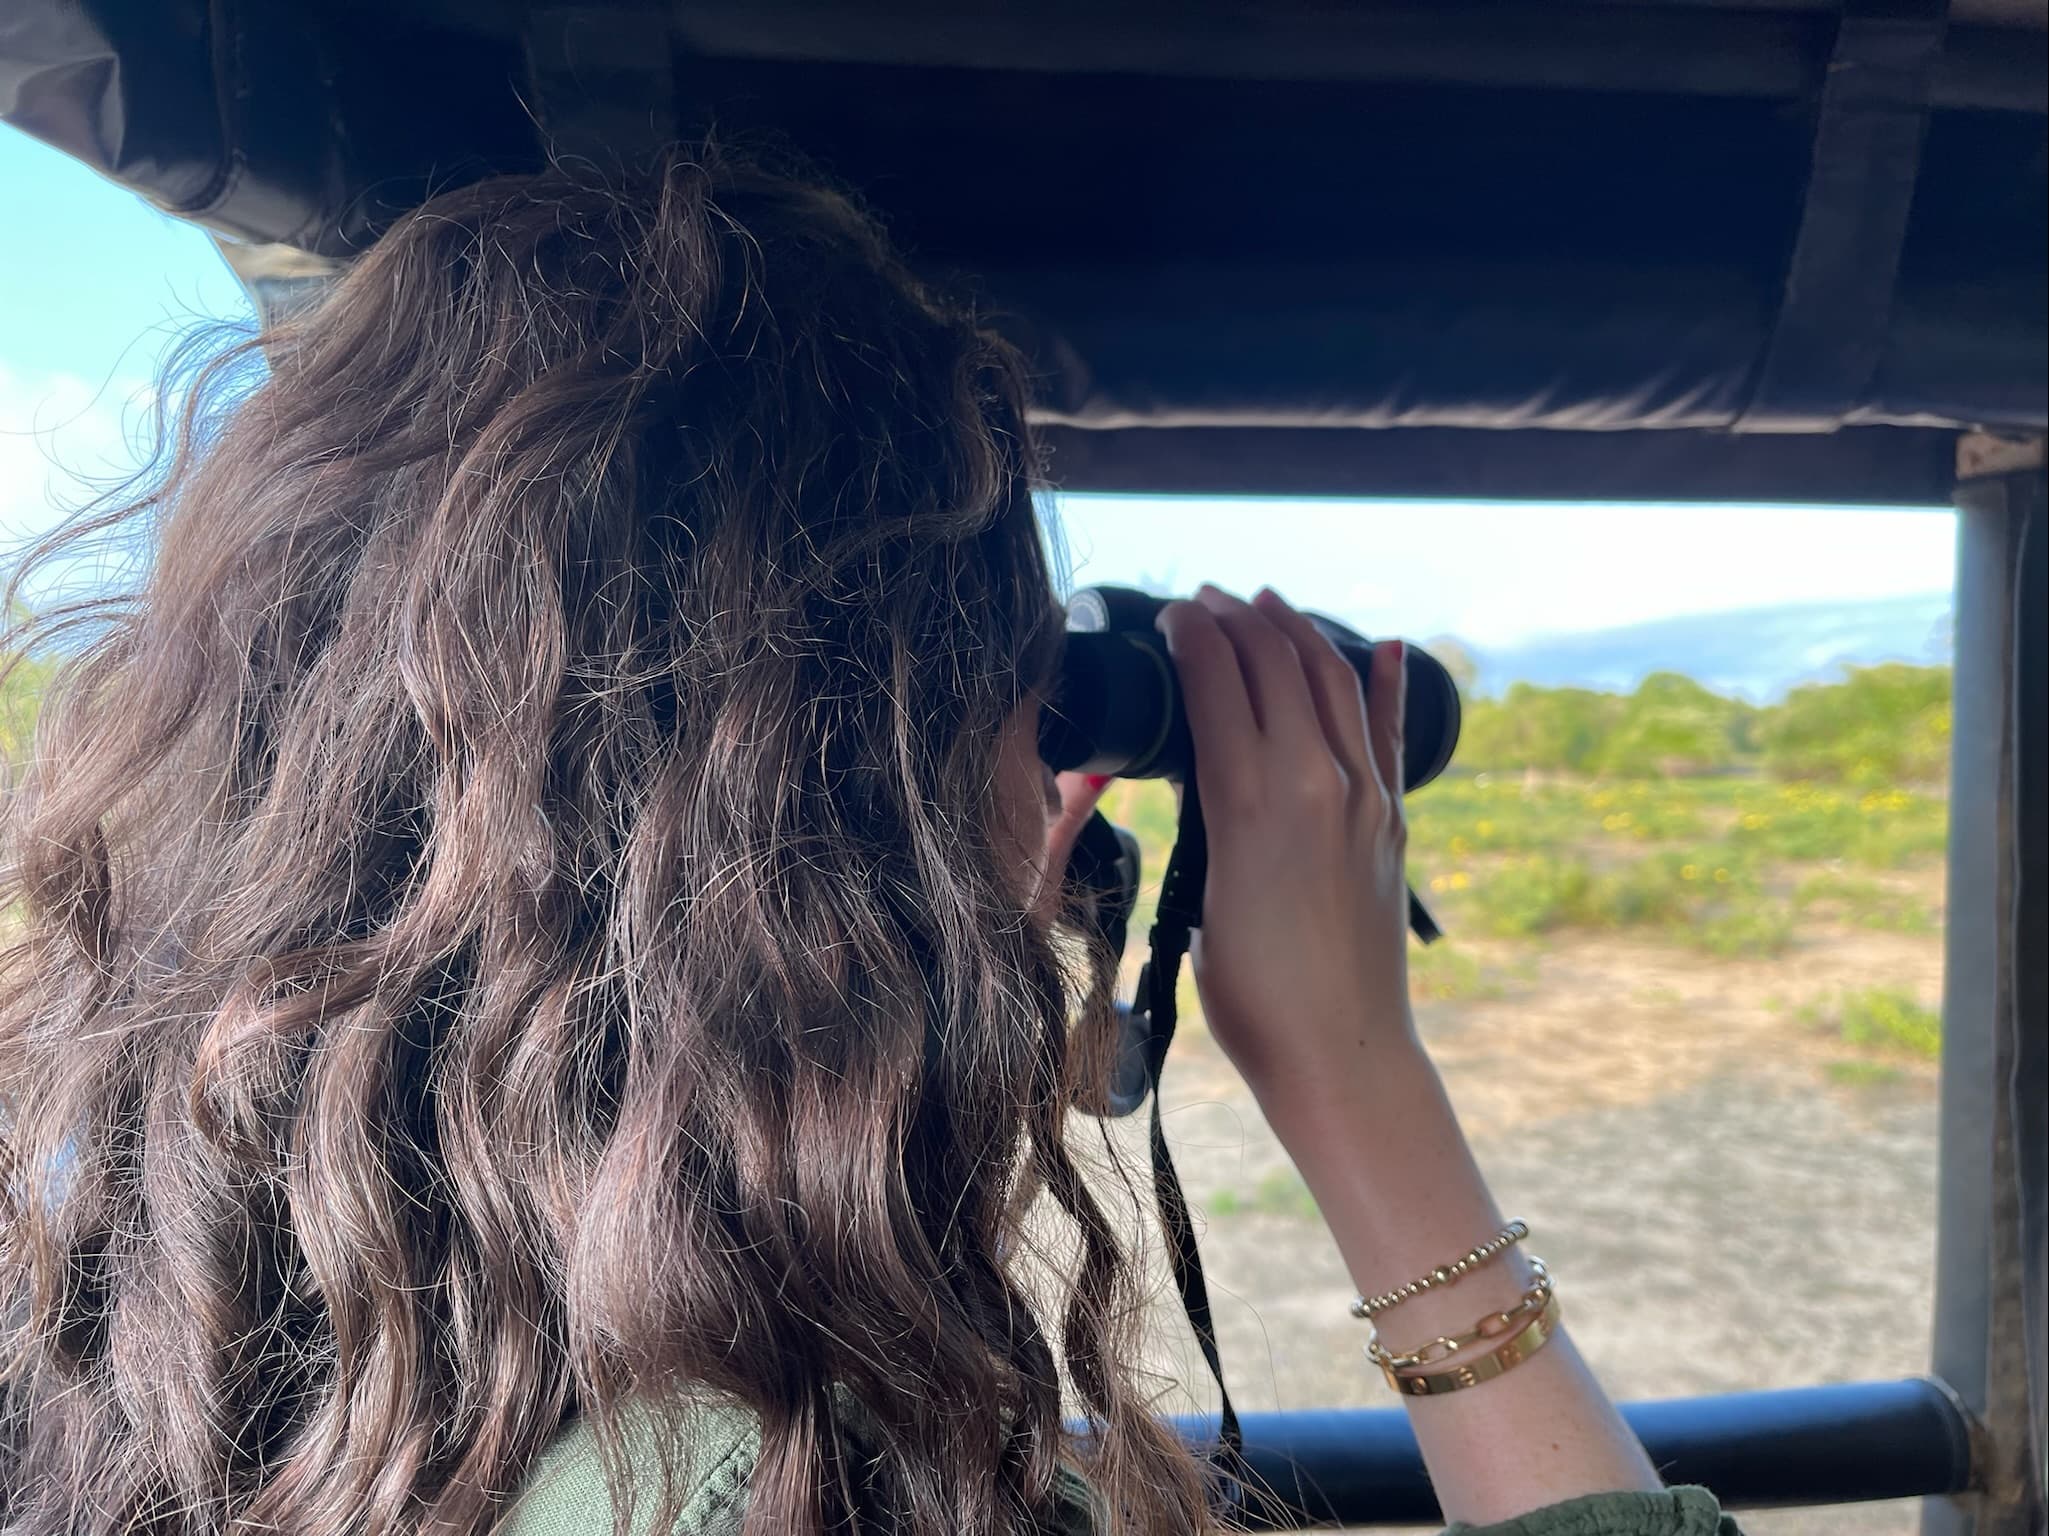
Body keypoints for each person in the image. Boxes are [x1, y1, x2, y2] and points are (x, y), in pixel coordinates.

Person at [0, 147, 1739, 1536]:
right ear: (874, 823)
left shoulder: (166, 1328)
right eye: (1014, 694)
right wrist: (1366, 1093)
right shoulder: (804, 1491)